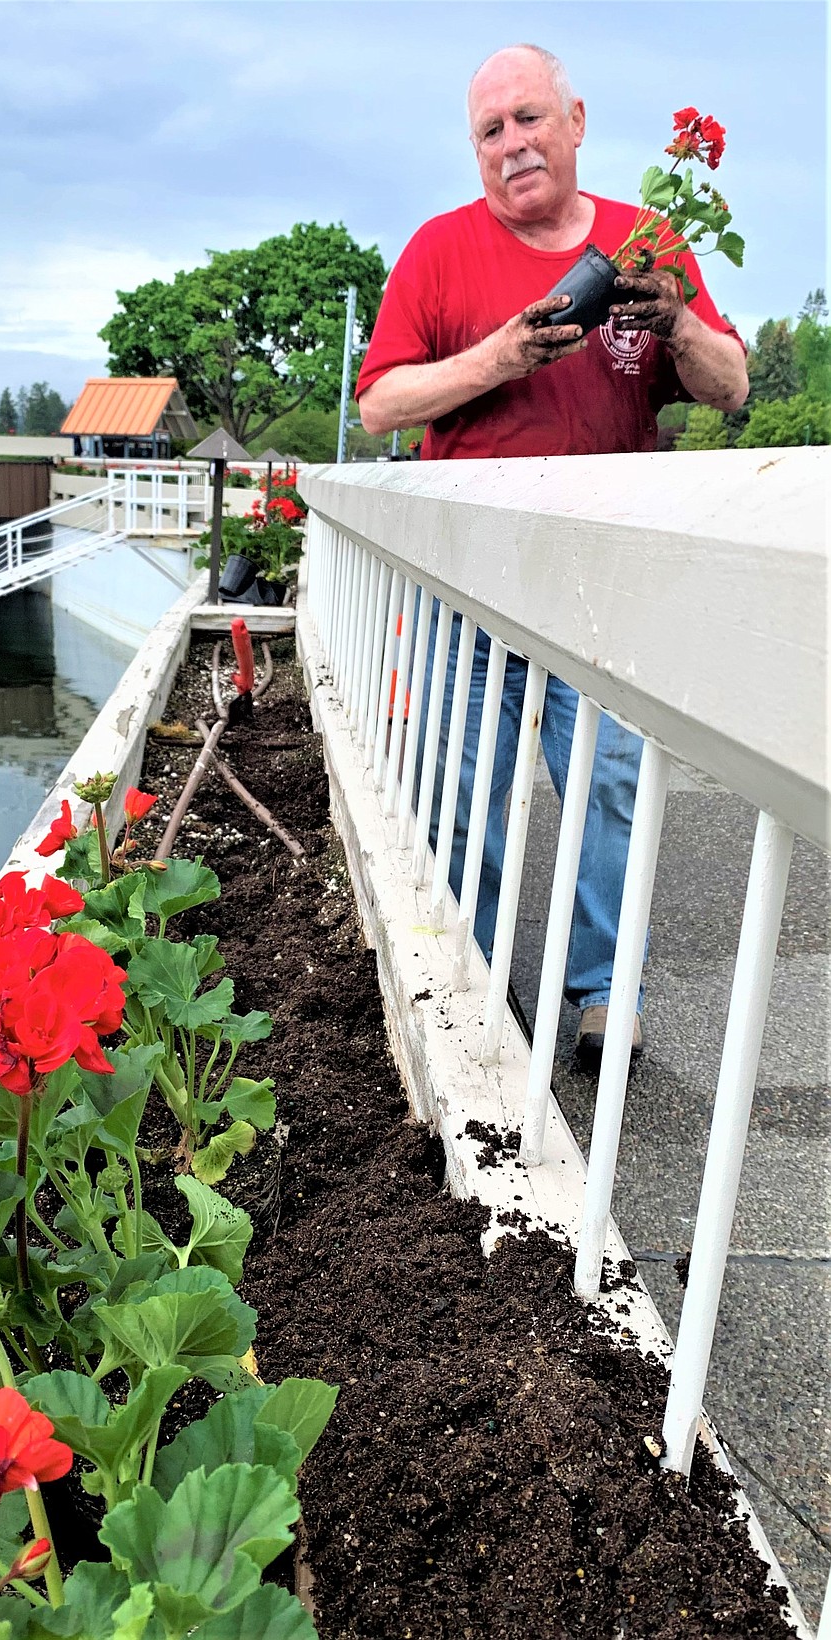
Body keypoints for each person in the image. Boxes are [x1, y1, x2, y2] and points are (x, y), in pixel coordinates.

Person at [356, 43, 748, 1065]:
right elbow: (379, 402)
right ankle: (476, 986)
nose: (513, 144)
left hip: (599, 578)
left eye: (529, 118)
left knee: (608, 788)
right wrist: (497, 359)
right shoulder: (440, 251)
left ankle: (601, 993)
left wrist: (677, 321)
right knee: (469, 791)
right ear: (475, 152)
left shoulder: (646, 239)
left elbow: (730, 383)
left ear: (574, 120)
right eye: (491, 131)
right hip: (472, 579)